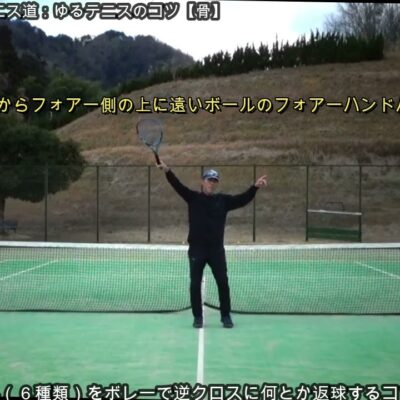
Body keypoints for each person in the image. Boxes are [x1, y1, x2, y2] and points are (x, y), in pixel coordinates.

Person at [157, 159, 267, 328]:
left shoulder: (223, 201)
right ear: (203, 181)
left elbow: (242, 199)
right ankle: (198, 317)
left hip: (216, 251)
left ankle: (226, 316)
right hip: (197, 250)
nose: (211, 183)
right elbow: (177, 185)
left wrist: (255, 187)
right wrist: (167, 170)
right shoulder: (193, 198)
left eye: (214, 181)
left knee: (223, 282)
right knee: (195, 284)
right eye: (209, 180)